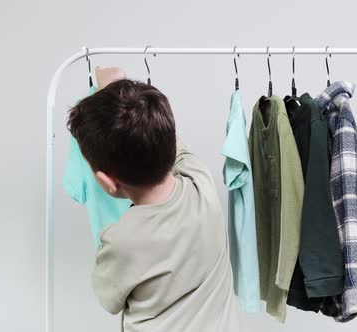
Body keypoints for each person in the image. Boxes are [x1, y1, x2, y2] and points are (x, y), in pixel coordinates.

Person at [67, 69, 241, 331]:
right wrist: (122, 91)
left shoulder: (120, 241)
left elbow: (108, 299)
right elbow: (171, 142)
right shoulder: (200, 182)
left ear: (106, 181)